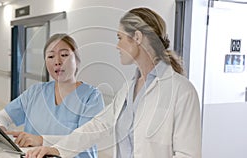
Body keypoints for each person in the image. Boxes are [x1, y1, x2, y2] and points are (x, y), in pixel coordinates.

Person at [25, 7, 202, 158]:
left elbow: (187, 154)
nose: (117, 46)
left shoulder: (182, 91)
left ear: (137, 37)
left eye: (120, 38)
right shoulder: (128, 89)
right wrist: (55, 149)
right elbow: (97, 126)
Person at [0, 33, 104, 158]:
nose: (57, 61)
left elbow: (85, 138)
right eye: (50, 56)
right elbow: (2, 116)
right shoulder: (36, 92)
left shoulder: (91, 97)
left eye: (64, 55)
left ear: (77, 60)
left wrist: (40, 140)